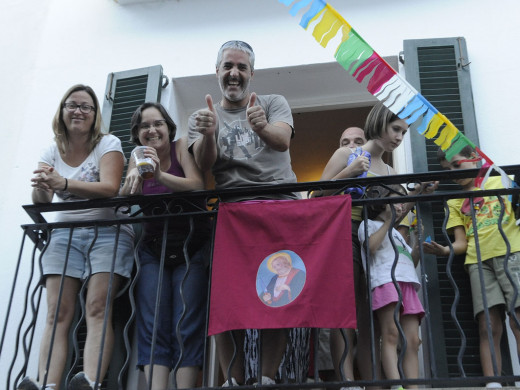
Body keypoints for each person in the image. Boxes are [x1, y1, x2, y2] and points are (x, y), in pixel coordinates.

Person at [188, 40, 299, 386]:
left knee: (277, 295)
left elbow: (282, 141)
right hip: (232, 216)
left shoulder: (272, 102)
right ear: (217, 71)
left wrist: (261, 126)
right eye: (227, 66)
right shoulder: (202, 116)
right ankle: (233, 381)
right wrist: (208, 134)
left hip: (278, 206)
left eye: (241, 67)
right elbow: (204, 165)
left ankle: (266, 379)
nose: (234, 73)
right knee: (227, 298)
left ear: (252, 73)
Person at [20, 84, 135, 390]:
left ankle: (91, 381)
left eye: (86, 106)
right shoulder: (51, 150)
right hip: (64, 232)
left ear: (95, 115)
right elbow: (43, 199)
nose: (78, 111)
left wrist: (64, 182)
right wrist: (42, 185)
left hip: (108, 231)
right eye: (72, 105)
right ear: (62, 111)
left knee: (98, 306)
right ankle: (47, 384)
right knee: (57, 313)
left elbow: (110, 187)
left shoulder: (107, 143)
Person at [320, 103, 436, 387]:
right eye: (396, 129)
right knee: (344, 313)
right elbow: (317, 193)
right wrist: (350, 172)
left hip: (374, 243)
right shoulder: (347, 154)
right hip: (345, 233)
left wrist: (418, 193)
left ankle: (371, 380)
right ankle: (346, 381)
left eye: (403, 132)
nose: (399, 137)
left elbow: (392, 217)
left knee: (366, 314)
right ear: (380, 122)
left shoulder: (390, 169)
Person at [120, 102, 209, 390]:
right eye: (145, 126)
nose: (152, 130)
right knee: (152, 321)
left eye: (157, 123)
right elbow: (123, 198)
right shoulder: (137, 155)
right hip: (152, 249)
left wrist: (158, 176)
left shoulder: (180, 145)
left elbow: (197, 184)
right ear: (138, 133)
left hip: (190, 246)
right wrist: (131, 179)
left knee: (187, 321)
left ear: (168, 127)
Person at [423, 146, 520, 388]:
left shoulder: (502, 179)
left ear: (475, 158)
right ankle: (493, 382)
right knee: (488, 325)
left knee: (517, 319)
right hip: (477, 263)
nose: (454, 173)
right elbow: (461, 243)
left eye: (457, 165)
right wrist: (444, 251)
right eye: (448, 170)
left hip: (511, 254)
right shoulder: (455, 200)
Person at [358, 185, 423, 389]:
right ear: (382, 202)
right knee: (391, 333)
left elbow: (408, 263)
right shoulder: (368, 225)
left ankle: (413, 386)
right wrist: (388, 221)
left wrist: (418, 248)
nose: (402, 205)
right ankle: (396, 385)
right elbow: (371, 247)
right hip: (385, 282)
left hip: (407, 284)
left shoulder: (395, 232)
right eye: (398, 200)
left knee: (413, 340)